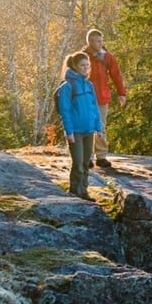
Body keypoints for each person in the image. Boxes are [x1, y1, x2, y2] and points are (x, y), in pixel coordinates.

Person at [56, 51, 103, 201]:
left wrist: (98, 128)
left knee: (86, 162)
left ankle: (83, 191)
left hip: (89, 130)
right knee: (78, 163)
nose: (86, 68)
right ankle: (75, 191)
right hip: (75, 131)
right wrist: (68, 132)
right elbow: (65, 111)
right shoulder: (67, 87)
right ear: (75, 66)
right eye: (82, 65)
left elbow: (94, 107)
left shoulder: (89, 85)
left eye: (87, 65)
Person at [82, 28, 127, 168]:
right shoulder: (82, 57)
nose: (101, 44)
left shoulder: (107, 57)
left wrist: (122, 94)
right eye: (98, 41)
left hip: (102, 97)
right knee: (87, 127)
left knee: (100, 127)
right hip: (85, 98)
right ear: (90, 42)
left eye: (102, 41)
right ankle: (87, 157)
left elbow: (116, 76)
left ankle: (101, 157)